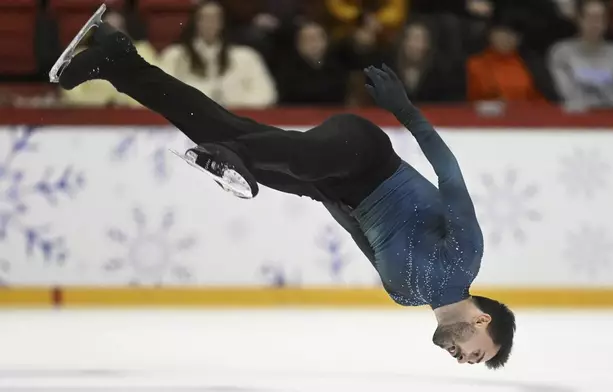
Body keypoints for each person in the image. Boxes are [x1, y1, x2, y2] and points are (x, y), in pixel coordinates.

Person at [50, 4, 516, 369]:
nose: (463, 358)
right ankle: (238, 159)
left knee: (220, 129)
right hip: (366, 155)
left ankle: (119, 62)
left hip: (334, 185)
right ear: (482, 320)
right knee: (254, 151)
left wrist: (314, 189)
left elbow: (360, 230)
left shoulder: (406, 295)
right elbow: (449, 174)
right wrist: (404, 110)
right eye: (477, 352)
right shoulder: (464, 258)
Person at [159, 0, 277, 109]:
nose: (210, 23)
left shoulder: (246, 57)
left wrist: (232, 106)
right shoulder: (174, 56)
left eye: (216, 18)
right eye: (205, 18)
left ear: (223, 22)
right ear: (195, 22)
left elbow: (266, 94)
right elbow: (161, 92)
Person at [548, 0, 613, 110]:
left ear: (607, 22)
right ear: (579, 19)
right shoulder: (562, 54)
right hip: (577, 120)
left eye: (600, 19)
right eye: (590, 18)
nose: (595, 24)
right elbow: (569, 94)